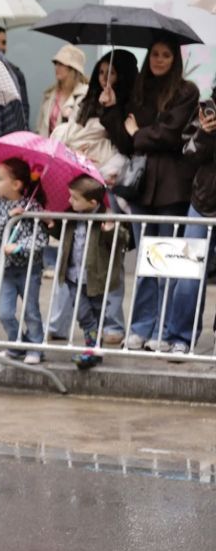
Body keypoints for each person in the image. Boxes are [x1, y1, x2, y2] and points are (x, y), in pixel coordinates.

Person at [101, 39, 200, 351]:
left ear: (175, 59)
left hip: (172, 188)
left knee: (170, 260)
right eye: (155, 54)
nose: (159, 60)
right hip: (141, 188)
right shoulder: (138, 91)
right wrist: (111, 109)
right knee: (146, 261)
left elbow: (171, 135)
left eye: (165, 55)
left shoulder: (187, 91)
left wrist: (139, 133)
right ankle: (141, 327)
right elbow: (126, 142)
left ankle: (166, 330)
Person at [48, 50, 138, 346]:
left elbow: (127, 145)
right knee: (69, 255)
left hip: (109, 187)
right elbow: (72, 133)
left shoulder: (128, 104)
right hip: (78, 181)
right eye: (101, 72)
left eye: (111, 73)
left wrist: (111, 110)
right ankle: (59, 323)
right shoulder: (87, 100)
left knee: (108, 259)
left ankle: (112, 323)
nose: (104, 78)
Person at [46, 175, 129, 369]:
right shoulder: (71, 215)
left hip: (96, 278)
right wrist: (51, 225)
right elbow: (62, 234)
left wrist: (110, 230)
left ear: (92, 202)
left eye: (75, 198)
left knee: (97, 313)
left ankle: (93, 350)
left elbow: (122, 240)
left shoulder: (106, 217)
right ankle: (92, 348)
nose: (70, 201)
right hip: (74, 277)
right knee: (83, 313)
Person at [164, 88, 216, 359]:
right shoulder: (208, 107)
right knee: (188, 274)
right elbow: (189, 152)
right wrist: (206, 133)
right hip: (203, 201)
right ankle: (180, 337)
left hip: (203, 199)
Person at [0, 158, 48, 365]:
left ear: (16, 184)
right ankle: (18, 343)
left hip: (29, 269)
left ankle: (36, 347)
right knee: (4, 313)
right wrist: (9, 218)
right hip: (5, 269)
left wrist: (19, 247)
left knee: (31, 311)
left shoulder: (32, 207)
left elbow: (40, 238)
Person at [36, 45, 89, 138]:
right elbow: (40, 127)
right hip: (46, 145)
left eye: (61, 64)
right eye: (56, 63)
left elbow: (84, 131)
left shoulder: (84, 95)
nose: (56, 67)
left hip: (69, 146)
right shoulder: (50, 94)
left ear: (72, 69)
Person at [0, 25, 30, 128]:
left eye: (4, 43)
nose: (1, 47)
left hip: (12, 131)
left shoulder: (16, 74)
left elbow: (24, 109)